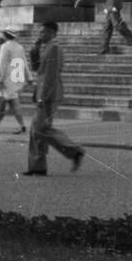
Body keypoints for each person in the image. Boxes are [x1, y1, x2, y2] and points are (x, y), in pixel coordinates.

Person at [23, 22, 85, 176]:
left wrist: (43, 97)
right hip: (43, 92)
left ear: (52, 32)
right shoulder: (48, 47)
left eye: (43, 32)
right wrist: (34, 52)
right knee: (37, 129)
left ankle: (74, 151)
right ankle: (38, 166)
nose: (40, 35)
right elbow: (38, 69)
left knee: (39, 129)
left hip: (48, 94)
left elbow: (50, 75)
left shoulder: (54, 47)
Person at [0, 28, 28, 134]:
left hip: (7, 79)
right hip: (16, 77)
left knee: (13, 103)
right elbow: (24, 62)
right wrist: (28, 77)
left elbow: (2, 64)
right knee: (7, 102)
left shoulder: (5, 47)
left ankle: (22, 125)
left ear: (5, 35)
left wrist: (0, 80)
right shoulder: (20, 47)